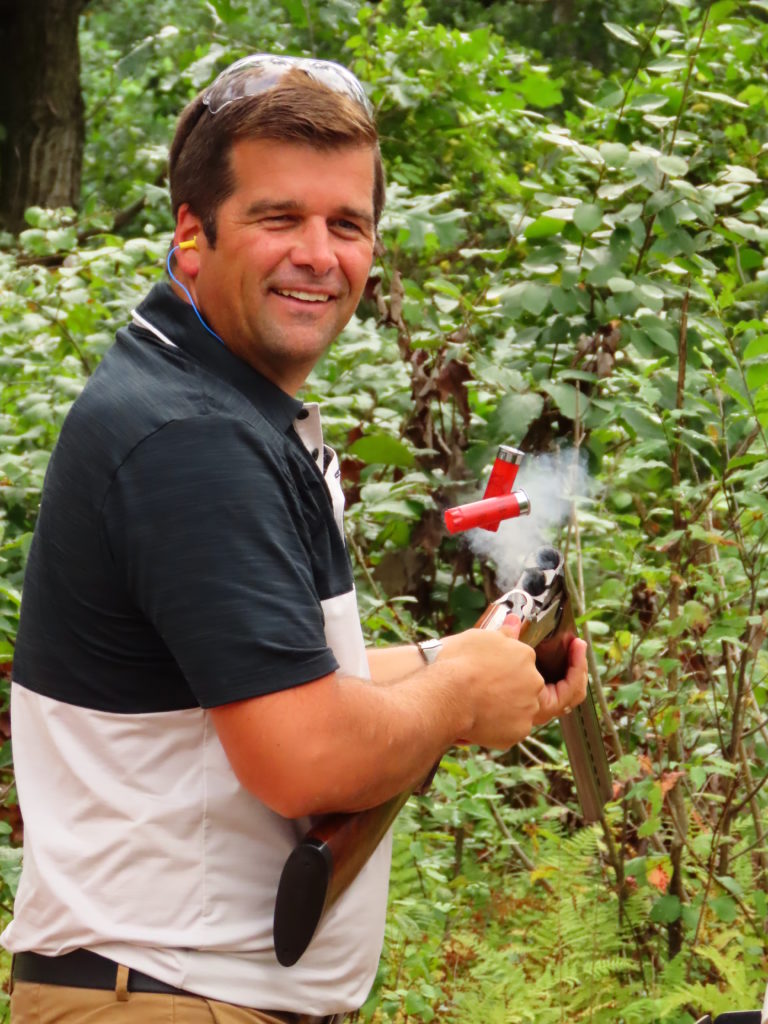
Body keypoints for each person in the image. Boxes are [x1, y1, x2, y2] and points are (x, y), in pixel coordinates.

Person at [2, 54, 588, 1023]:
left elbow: (284, 678)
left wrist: (465, 657)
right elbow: (305, 758)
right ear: (193, 234)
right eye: (280, 218)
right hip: (166, 999)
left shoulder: (206, 403)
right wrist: (456, 695)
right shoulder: (193, 440)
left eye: (347, 224)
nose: (320, 253)